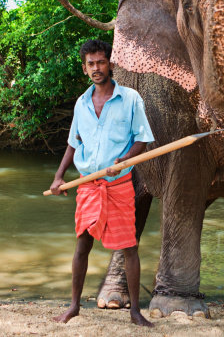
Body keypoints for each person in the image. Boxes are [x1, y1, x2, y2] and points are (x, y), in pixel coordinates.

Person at [49, 39, 154, 327]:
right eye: (90, 64)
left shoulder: (131, 99)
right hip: (87, 185)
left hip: (119, 184)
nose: (96, 68)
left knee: (129, 247)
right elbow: (73, 145)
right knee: (82, 245)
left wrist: (122, 161)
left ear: (110, 64)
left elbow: (143, 139)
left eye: (100, 62)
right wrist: (59, 177)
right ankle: (73, 307)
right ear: (85, 69)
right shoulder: (81, 104)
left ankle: (134, 311)